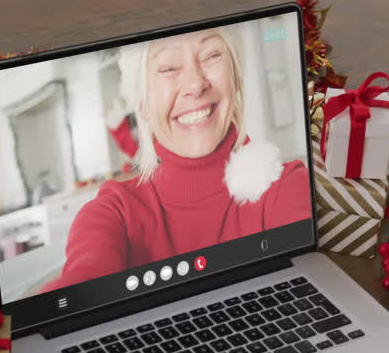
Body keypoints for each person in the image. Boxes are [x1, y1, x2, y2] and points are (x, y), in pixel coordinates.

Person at [45, 28, 310, 290]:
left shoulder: (285, 185)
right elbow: (82, 288)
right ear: (143, 103)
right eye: (169, 67)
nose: (195, 85)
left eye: (211, 55)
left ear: (236, 77)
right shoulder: (113, 213)